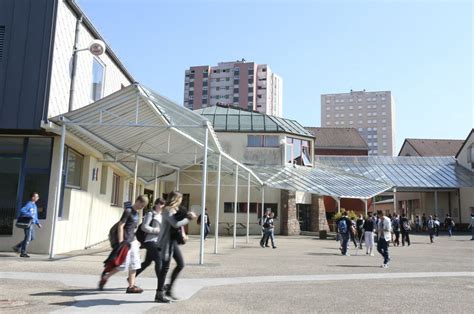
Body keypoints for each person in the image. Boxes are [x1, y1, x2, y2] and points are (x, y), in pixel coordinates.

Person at [99, 195, 149, 293]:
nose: (141, 208)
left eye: (143, 207)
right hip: (125, 242)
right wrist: (121, 242)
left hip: (133, 241)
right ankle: (106, 276)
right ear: (138, 201)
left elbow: (133, 228)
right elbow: (121, 226)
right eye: (141, 205)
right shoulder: (128, 211)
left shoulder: (136, 213)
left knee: (134, 263)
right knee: (122, 265)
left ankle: (131, 286)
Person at [155, 191, 196, 303]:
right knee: (165, 268)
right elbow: (175, 224)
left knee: (180, 264)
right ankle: (159, 294)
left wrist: (183, 234)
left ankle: (169, 290)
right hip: (165, 242)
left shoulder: (176, 210)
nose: (181, 201)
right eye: (180, 198)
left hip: (172, 241)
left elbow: (178, 225)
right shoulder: (167, 210)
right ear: (176, 199)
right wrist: (189, 219)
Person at [135, 198, 165, 281]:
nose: (160, 206)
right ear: (155, 204)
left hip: (157, 241)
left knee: (147, 263)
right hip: (150, 241)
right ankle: (161, 284)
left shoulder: (162, 215)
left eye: (162, 204)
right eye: (159, 203)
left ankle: (131, 277)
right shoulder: (150, 214)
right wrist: (156, 230)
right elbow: (144, 227)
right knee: (159, 261)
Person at [12, 192, 42, 258]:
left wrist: (37, 223)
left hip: (33, 223)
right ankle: (23, 252)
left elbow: (35, 216)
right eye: (36, 196)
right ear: (33, 197)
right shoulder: (29, 204)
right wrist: (30, 215)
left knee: (32, 237)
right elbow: (22, 210)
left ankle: (18, 246)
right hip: (28, 223)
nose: (38, 198)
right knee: (28, 237)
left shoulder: (35, 205)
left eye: (38, 197)